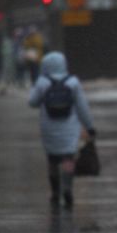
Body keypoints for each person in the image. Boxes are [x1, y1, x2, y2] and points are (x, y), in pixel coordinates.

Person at [29, 52, 96, 209]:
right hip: (69, 128)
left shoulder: (42, 82)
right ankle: (67, 188)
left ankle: (54, 192)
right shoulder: (73, 83)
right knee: (68, 159)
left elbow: (32, 102)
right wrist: (90, 126)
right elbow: (82, 107)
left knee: (52, 160)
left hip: (49, 128)